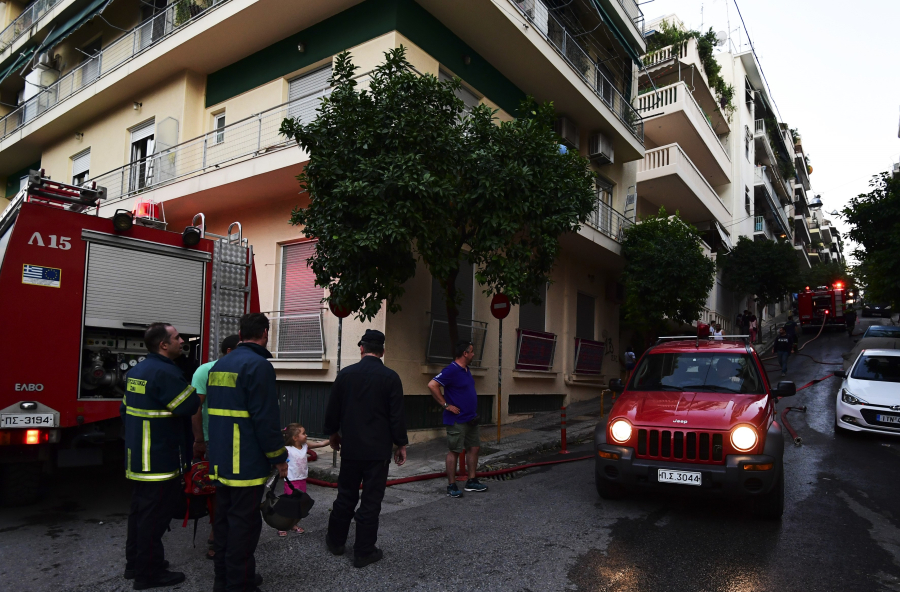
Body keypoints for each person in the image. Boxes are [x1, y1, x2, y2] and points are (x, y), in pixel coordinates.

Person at [207, 313, 288, 592]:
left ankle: (222, 580)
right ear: (265, 333)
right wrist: (278, 457)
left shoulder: (219, 365)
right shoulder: (258, 366)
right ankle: (239, 584)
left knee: (223, 521)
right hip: (245, 462)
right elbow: (265, 419)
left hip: (220, 460)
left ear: (240, 333)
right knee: (244, 526)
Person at [122, 323, 201, 589]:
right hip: (158, 459)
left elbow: (125, 410)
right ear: (163, 345)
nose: (182, 341)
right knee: (154, 520)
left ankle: (134, 565)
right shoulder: (164, 372)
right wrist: (189, 381)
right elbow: (189, 406)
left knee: (140, 514)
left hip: (139, 457)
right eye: (177, 338)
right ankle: (149, 574)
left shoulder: (138, 370)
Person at [324, 329, 408, 568]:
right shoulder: (391, 377)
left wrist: (333, 434)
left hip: (351, 447)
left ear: (361, 348)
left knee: (346, 495)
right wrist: (400, 443)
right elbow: (396, 416)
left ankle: (336, 541)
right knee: (371, 501)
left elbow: (333, 409)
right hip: (377, 452)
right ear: (382, 351)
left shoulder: (346, 375)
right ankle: (363, 551)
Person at [190, 334, 240, 560]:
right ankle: (215, 537)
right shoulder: (205, 371)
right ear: (229, 351)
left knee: (235, 490)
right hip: (213, 440)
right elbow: (195, 408)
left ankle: (229, 537)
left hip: (239, 442)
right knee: (216, 490)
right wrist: (199, 440)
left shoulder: (245, 369)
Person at [427, 340, 489, 499]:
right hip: (457, 419)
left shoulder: (466, 370)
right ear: (465, 353)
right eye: (472, 351)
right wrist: (445, 404)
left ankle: (472, 480)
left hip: (470, 418)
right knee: (454, 450)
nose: (474, 354)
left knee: (474, 448)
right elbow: (432, 385)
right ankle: (451, 485)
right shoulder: (451, 370)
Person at [278, 423, 329, 536]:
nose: (306, 435)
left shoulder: (305, 446)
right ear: (295, 438)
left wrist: (331, 440)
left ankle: (293, 524)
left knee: (299, 504)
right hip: (291, 481)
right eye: (303, 433)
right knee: (289, 504)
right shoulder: (287, 450)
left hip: (302, 480)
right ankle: (282, 525)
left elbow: (320, 444)